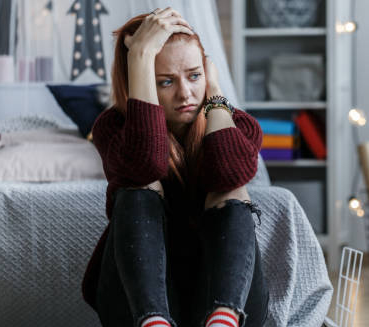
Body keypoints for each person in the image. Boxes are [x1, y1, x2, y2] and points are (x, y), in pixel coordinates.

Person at [81, 7, 269, 327]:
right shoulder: (112, 127)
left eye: (194, 76)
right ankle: (154, 321)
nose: (185, 94)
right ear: (140, 80)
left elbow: (228, 174)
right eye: (165, 82)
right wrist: (139, 55)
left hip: (225, 299)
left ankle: (222, 319)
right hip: (135, 300)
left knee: (232, 188)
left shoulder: (237, 125)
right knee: (140, 187)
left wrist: (217, 98)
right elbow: (145, 167)